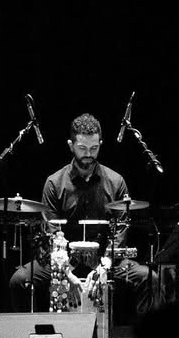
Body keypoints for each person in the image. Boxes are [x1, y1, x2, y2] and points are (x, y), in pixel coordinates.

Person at [8, 113, 155, 315]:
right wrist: (65, 272)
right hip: (64, 260)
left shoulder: (116, 181)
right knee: (19, 280)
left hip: (105, 260)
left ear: (100, 144)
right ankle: (29, 335)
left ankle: (147, 335)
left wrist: (105, 266)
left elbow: (120, 231)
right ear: (71, 145)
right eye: (82, 148)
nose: (88, 154)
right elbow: (51, 234)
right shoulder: (54, 183)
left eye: (94, 148)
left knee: (149, 278)